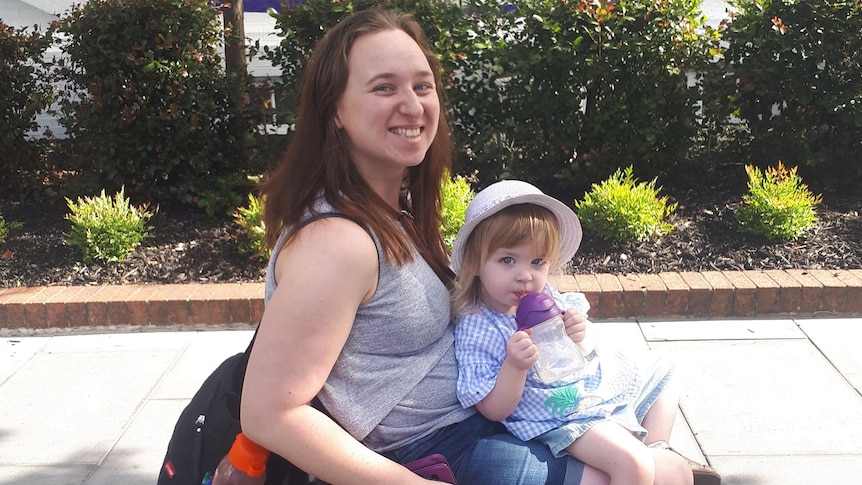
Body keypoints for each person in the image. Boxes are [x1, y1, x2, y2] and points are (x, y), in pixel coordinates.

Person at [239, 7, 700, 485]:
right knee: (666, 474)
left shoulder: (393, 209)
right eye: (384, 87)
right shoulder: (335, 243)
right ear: (334, 109)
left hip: (486, 414)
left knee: (654, 417)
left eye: (422, 86)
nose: (413, 105)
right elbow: (271, 412)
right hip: (440, 450)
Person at [450, 180, 721, 485]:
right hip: (562, 414)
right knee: (634, 465)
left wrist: (577, 334)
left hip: (593, 391)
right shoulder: (479, 325)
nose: (525, 275)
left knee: (666, 376)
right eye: (508, 260)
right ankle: (643, 457)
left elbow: (580, 351)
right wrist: (515, 366)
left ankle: (657, 446)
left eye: (537, 261)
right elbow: (492, 409)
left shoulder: (547, 297)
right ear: (475, 263)